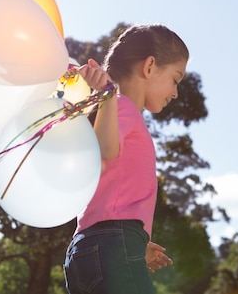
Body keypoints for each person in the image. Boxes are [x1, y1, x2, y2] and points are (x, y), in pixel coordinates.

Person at [63, 24, 189, 294]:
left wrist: (136, 245)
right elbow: (105, 149)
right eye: (175, 79)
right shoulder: (121, 106)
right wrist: (107, 93)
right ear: (150, 67)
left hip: (87, 248)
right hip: (113, 242)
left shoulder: (111, 110)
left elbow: (109, 192)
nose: (175, 92)